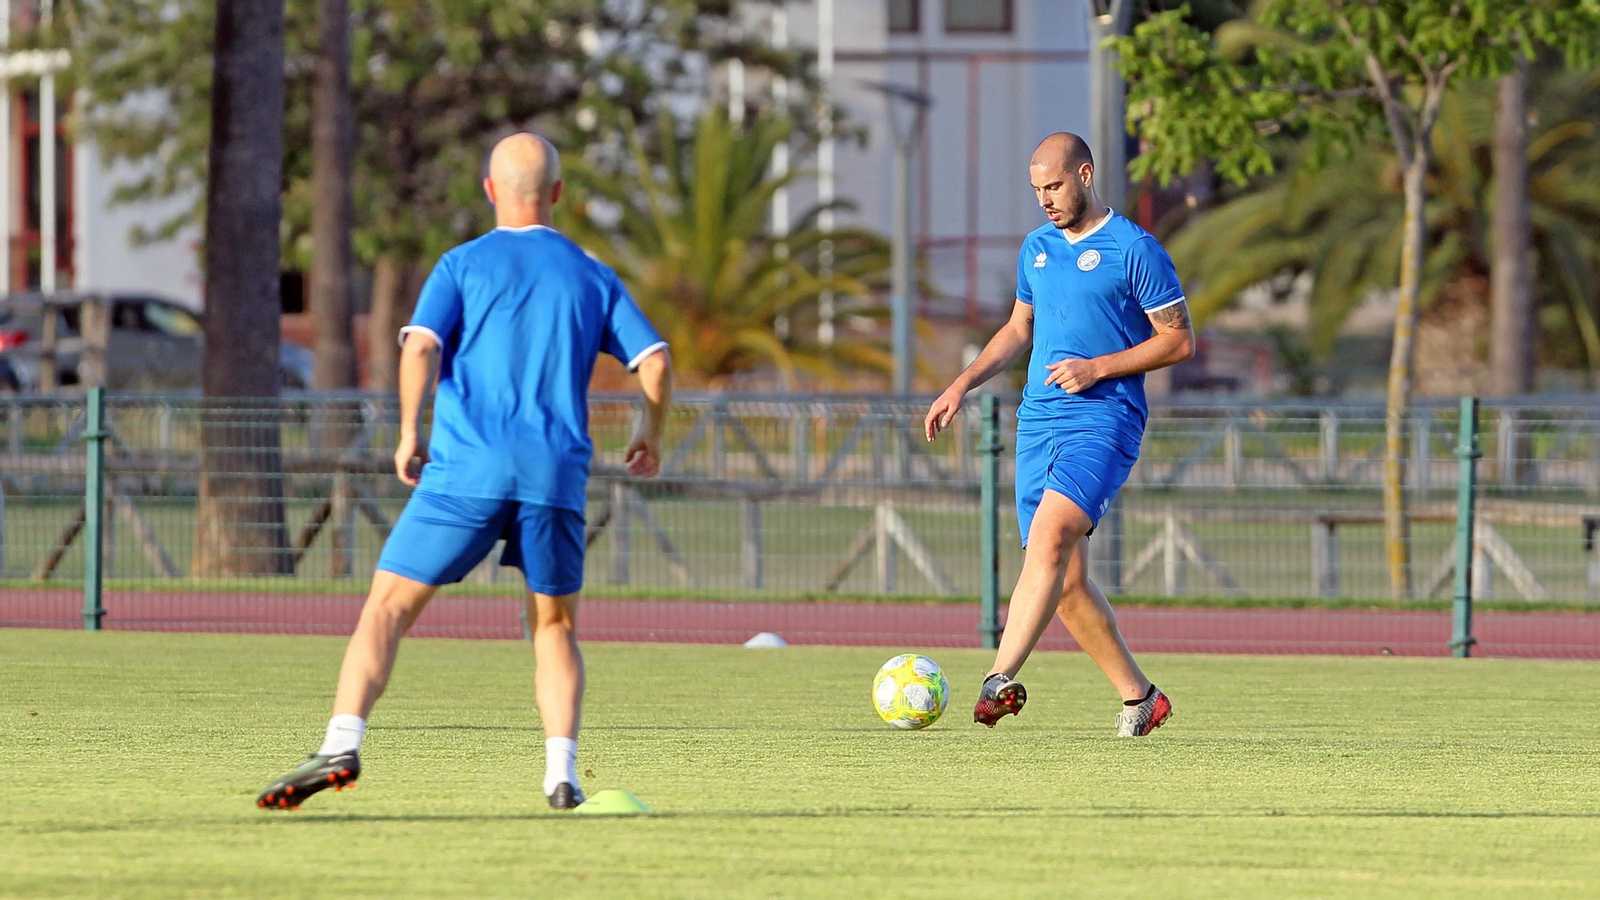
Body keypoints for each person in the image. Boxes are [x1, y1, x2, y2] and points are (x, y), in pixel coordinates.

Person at [257, 133, 672, 811]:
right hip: (554, 476)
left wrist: (410, 431)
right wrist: (648, 434)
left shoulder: (460, 264)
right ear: (557, 195)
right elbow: (654, 359)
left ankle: (340, 742)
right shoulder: (591, 274)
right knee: (554, 627)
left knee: (388, 607)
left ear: (489, 190)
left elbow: (421, 345)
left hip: (465, 469)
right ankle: (560, 774)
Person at [924, 132, 1191, 736]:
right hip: (1038, 421)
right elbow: (1019, 328)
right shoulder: (1037, 247)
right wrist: (961, 384)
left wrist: (1098, 367)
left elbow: (1179, 340)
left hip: (1106, 418)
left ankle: (998, 677)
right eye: (1037, 189)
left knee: (1048, 541)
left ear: (1086, 175)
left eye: (1054, 186)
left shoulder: (1135, 249)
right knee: (1066, 586)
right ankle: (1140, 699)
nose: (1044, 199)